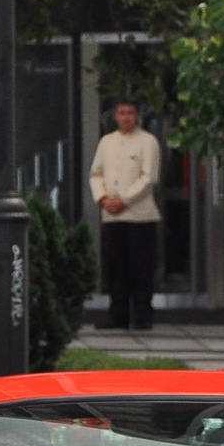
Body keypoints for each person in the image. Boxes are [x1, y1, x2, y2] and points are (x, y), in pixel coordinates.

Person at [89, 100, 161, 329]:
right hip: (112, 216)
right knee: (116, 267)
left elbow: (149, 177)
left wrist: (124, 199)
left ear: (137, 115)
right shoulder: (107, 141)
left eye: (130, 113)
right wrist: (102, 198)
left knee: (141, 268)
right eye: (122, 113)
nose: (126, 117)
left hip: (140, 216)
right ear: (116, 116)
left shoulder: (148, 141)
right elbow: (96, 173)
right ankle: (117, 315)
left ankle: (142, 316)